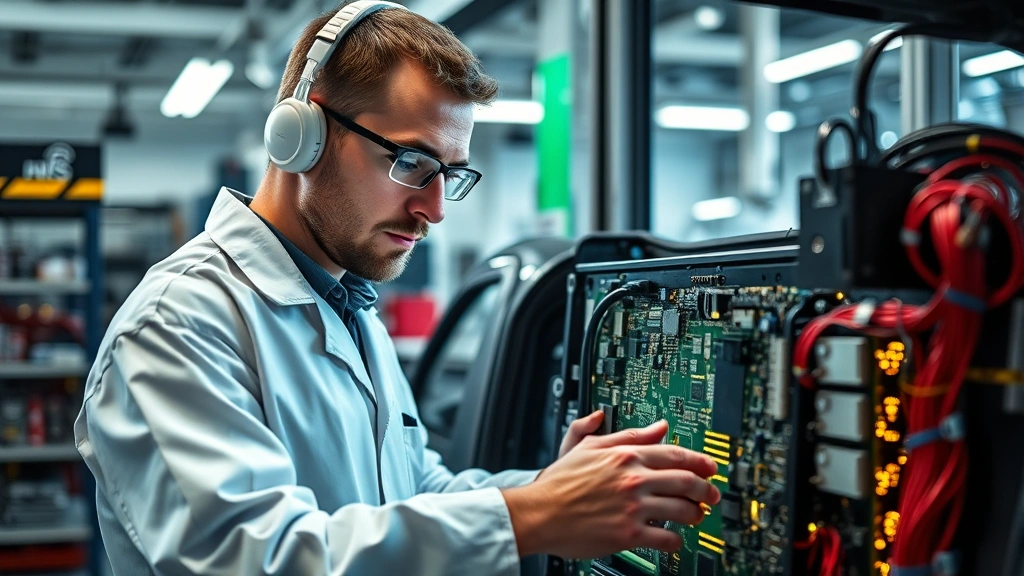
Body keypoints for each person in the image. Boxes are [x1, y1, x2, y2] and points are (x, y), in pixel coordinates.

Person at [74, 2, 721, 574]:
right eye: (412, 163)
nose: (436, 209)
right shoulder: (179, 324)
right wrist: (531, 514)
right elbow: (252, 556)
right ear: (304, 135)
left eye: (453, 176)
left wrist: (555, 487)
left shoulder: (348, 309)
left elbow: (411, 492)